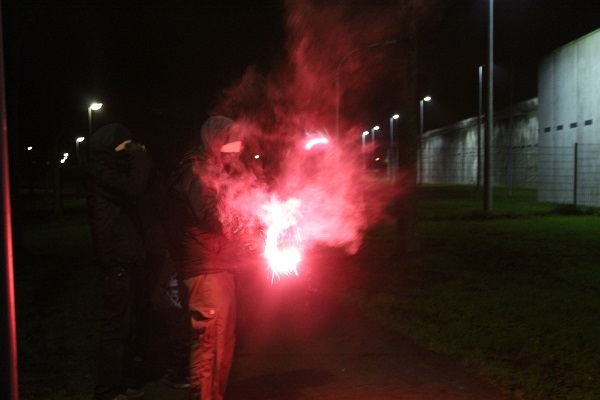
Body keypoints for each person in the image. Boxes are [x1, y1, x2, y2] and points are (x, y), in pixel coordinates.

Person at [167, 116, 257, 400]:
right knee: (210, 345)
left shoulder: (214, 169)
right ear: (218, 141)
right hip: (206, 269)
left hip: (218, 266)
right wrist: (243, 223)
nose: (239, 148)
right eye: (233, 141)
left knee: (222, 344)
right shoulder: (197, 169)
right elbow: (209, 214)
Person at [87, 123, 151, 400]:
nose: (130, 152)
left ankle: (121, 384)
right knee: (116, 331)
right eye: (125, 147)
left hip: (126, 263)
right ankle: (107, 391)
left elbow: (144, 187)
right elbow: (136, 187)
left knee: (127, 330)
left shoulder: (110, 172)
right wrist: (140, 156)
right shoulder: (101, 173)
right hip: (117, 266)